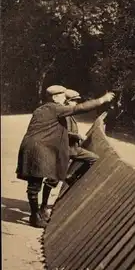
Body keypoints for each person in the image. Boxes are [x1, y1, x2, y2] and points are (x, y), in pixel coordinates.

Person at [16, 85, 115, 228]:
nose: (65, 98)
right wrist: (102, 100)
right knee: (35, 185)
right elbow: (79, 108)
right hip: (39, 149)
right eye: (63, 96)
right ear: (55, 97)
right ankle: (35, 217)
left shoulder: (40, 109)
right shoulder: (55, 108)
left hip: (32, 147)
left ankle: (35, 215)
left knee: (34, 185)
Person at [38, 89, 101, 222]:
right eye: (74, 101)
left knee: (93, 159)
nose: (76, 103)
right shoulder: (62, 113)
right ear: (67, 101)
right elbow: (59, 133)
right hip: (61, 150)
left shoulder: (70, 113)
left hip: (73, 149)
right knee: (52, 180)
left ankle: (69, 176)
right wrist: (76, 135)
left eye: (77, 101)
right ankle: (43, 207)